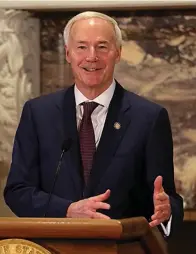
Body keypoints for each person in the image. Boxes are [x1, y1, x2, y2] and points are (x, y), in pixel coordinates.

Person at [4, 11, 183, 237]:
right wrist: (67, 210)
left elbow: (167, 199)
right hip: (53, 246)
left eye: (102, 47)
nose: (92, 56)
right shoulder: (38, 113)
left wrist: (167, 211)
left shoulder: (149, 117)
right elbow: (17, 191)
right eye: (81, 47)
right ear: (67, 53)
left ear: (118, 53)